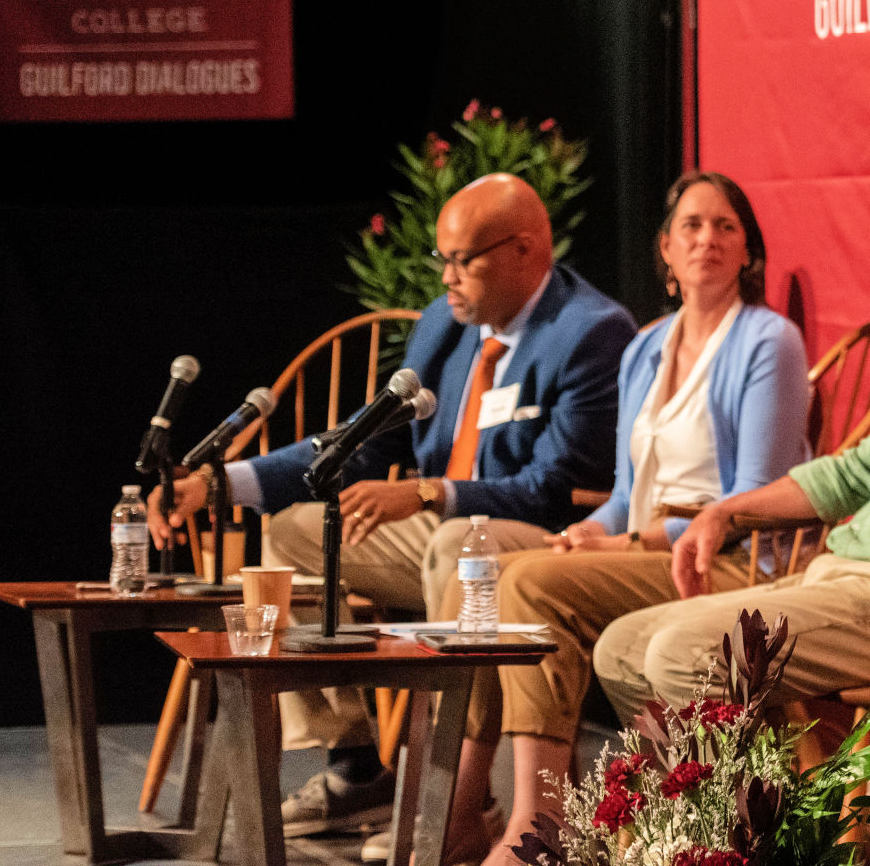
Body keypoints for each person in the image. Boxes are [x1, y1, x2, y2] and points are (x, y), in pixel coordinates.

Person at [146, 172, 638, 837]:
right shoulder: (446, 325)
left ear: (526, 250)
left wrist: (432, 492)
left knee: (455, 548)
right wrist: (218, 483)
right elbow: (362, 443)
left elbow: (554, 489)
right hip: (443, 533)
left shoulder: (590, 332)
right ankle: (356, 766)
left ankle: (454, 795)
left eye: (466, 259)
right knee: (294, 532)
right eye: (444, 259)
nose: (448, 278)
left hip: (533, 540)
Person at [427, 171, 812, 866]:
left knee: (529, 586)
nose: (708, 239)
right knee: (482, 576)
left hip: (720, 559)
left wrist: (625, 540)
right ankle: (459, 809)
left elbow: (753, 497)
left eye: (726, 226)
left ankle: (537, 818)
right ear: (665, 249)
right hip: (640, 549)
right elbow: (623, 493)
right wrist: (593, 532)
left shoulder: (768, 341)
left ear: (749, 251)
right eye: (691, 226)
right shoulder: (645, 346)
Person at [592, 396, 870, 743]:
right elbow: (848, 476)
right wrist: (722, 512)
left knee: (684, 654)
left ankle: (752, 796)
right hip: (833, 571)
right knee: (620, 649)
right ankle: (680, 794)